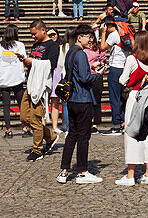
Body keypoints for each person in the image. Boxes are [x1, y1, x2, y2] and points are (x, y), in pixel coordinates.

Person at [58, 23, 105, 183]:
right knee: (83, 136)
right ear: (79, 37)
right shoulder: (81, 54)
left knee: (72, 135)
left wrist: (88, 68)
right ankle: (83, 171)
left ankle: (64, 171)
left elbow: (76, 72)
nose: (91, 40)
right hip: (83, 98)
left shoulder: (70, 52)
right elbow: (85, 78)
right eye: (88, 37)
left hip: (71, 99)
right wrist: (98, 74)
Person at [116, 31, 148, 186]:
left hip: (135, 97)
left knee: (132, 132)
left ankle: (130, 174)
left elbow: (123, 79)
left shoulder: (131, 59)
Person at [20, 18, 58, 160]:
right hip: (30, 83)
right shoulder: (36, 45)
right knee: (24, 117)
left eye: (34, 34)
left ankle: (37, 150)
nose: (33, 37)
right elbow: (35, 61)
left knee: (36, 118)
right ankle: (50, 136)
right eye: (31, 34)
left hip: (40, 86)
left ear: (43, 30)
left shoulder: (52, 46)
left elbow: (51, 65)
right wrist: (27, 61)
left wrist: (33, 62)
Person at [0, 25, 27, 138]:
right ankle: (24, 127)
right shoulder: (20, 45)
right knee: (21, 104)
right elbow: (24, 59)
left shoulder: (0, 46)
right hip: (17, 77)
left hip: (5, 77)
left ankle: (8, 129)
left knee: (6, 105)